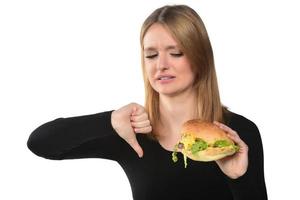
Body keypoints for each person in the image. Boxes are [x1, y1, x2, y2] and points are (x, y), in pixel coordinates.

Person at [27, 4, 268, 200]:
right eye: (151, 55)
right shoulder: (133, 134)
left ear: (200, 58)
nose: (161, 64)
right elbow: (40, 143)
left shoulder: (237, 134)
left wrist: (240, 178)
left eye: (176, 53)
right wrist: (109, 121)